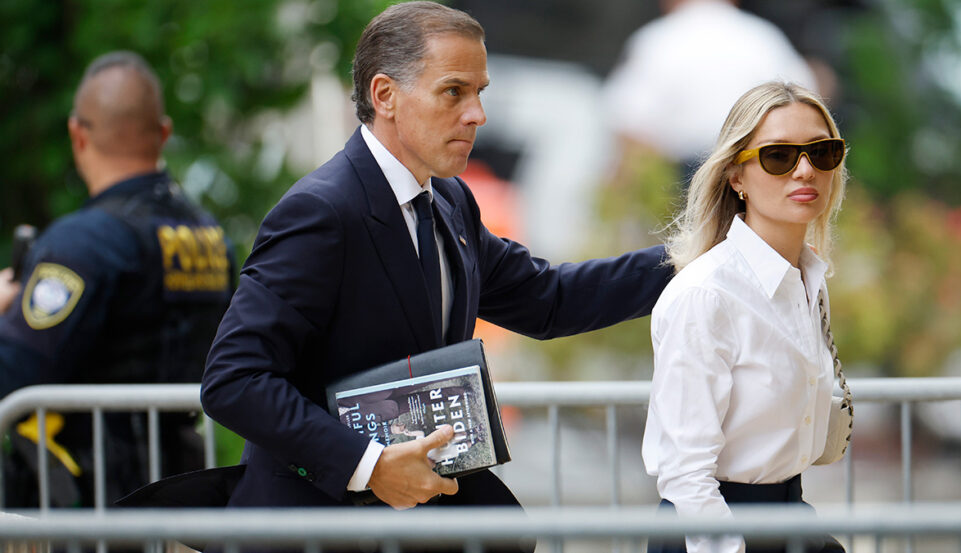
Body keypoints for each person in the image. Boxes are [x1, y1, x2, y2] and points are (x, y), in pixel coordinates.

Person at [199, 2, 673, 551]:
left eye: (480, 92)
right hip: (319, 525)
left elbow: (548, 300)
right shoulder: (323, 212)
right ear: (385, 96)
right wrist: (369, 465)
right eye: (454, 92)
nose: (477, 114)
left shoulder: (449, 201)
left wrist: (693, 258)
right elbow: (234, 379)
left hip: (417, 518)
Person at [0, 51, 234, 507]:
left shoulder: (84, 243)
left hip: (89, 503)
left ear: (76, 134)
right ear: (163, 133)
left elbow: (12, 373)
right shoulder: (210, 236)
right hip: (183, 492)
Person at [643, 81, 848, 553]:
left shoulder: (809, 279)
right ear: (736, 176)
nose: (805, 170)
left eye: (823, 152)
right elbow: (686, 473)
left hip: (789, 517)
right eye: (779, 156)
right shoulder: (706, 296)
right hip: (710, 533)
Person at [603, 0, 818, 175]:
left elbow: (628, 122)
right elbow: (807, 98)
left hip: (683, 178)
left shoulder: (657, 40)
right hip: (759, 168)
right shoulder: (762, 37)